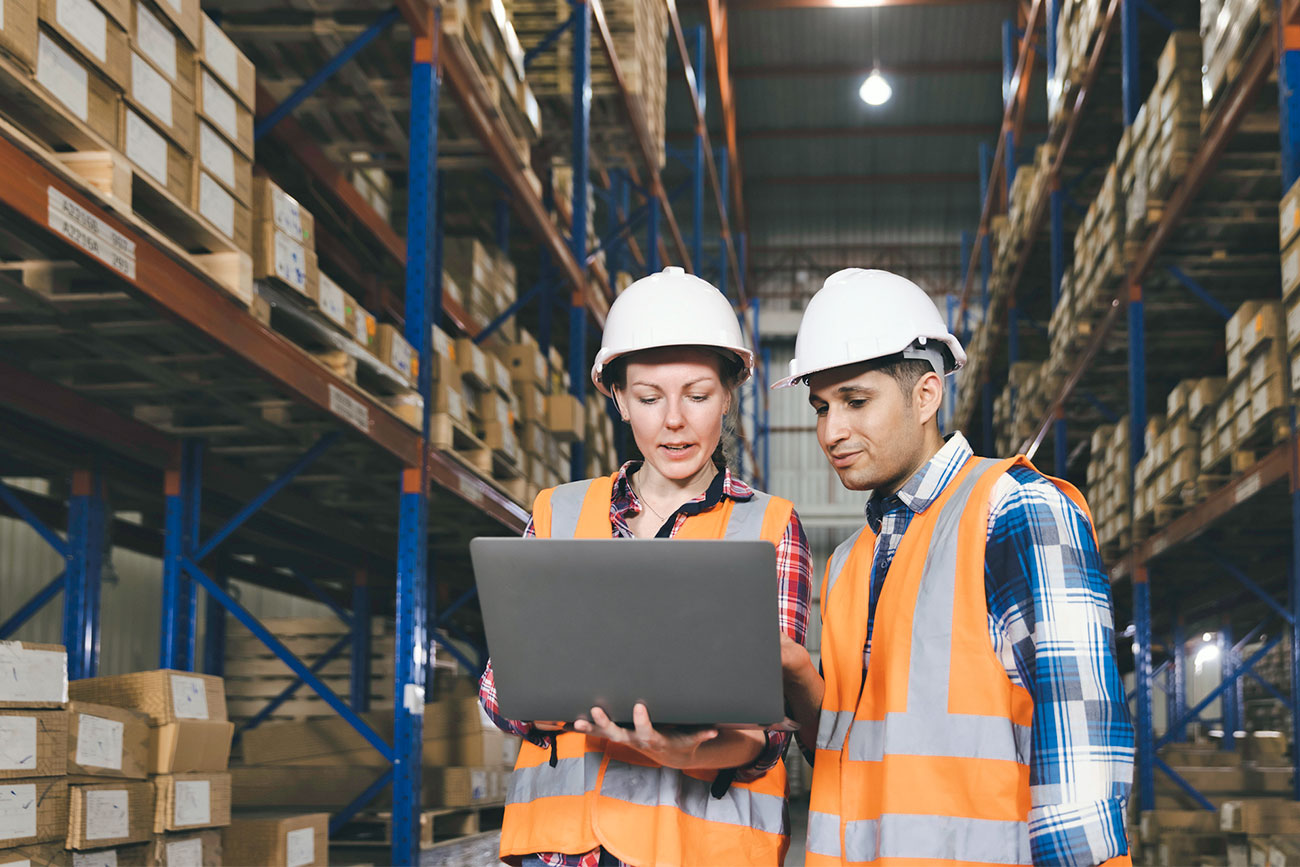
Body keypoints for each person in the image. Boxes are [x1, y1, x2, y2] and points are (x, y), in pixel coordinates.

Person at [774, 269, 1134, 867]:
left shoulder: (1012, 510)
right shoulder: (845, 564)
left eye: (856, 401)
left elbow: (1080, 769)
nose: (832, 431)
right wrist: (794, 678)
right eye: (821, 408)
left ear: (926, 395)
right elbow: (854, 757)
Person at [479, 266, 813, 867]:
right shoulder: (559, 511)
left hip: (699, 854)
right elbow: (499, 691)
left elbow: (771, 732)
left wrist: (682, 749)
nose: (674, 421)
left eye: (698, 395)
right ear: (619, 399)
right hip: (563, 851)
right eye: (649, 398)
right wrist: (559, 702)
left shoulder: (769, 526)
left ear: (730, 393)